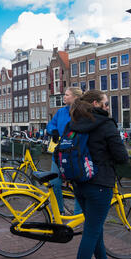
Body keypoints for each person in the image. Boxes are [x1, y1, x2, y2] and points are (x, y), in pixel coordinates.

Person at [67, 90, 129, 259]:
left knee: (95, 229)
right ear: (96, 103)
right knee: (92, 231)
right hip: (100, 184)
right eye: (105, 103)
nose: (108, 107)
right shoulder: (106, 124)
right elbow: (121, 156)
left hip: (79, 182)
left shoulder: (74, 122)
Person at [47, 87, 83, 215]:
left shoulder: (82, 113)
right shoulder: (61, 112)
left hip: (75, 154)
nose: (64, 96)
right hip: (60, 153)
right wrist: (53, 131)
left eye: (67, 95)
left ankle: (78, 214)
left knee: (78, 185)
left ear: (75, 98)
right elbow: (51, 124)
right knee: (54, 182)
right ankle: (59, 210)